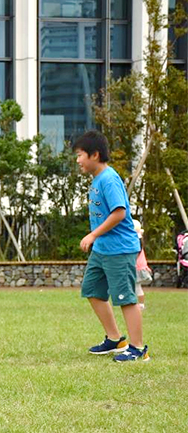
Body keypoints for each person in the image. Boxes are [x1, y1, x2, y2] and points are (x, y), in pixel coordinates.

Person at [73, 130, 149, 362]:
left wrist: (92, 235)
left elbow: (119, 212)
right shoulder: (97, 180)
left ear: (95, 155)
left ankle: (138, 349)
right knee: (92, 289)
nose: (78, 160)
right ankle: (116, 339)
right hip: (102, 250)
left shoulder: (109, 179)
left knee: (125, 298)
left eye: (80, 155)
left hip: (119, 249)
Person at [132, 219, 151, 310]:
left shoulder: (135, 244)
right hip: (139, 267)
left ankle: (140, 304)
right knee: (136, 286)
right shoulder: (139, 243)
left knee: (136, 286)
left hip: (136, 267)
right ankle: (139, 303)